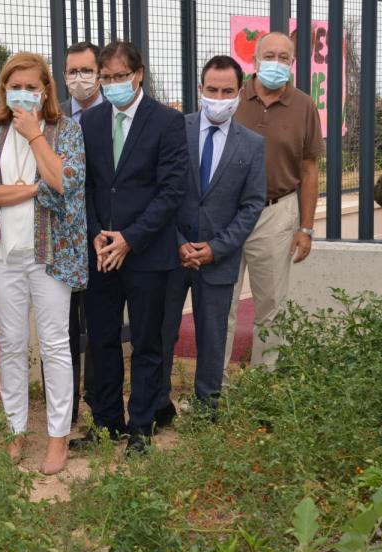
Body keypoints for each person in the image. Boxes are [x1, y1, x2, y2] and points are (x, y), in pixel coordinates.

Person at [0, 51, 87, 474]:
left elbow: (65, 183)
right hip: (5, 255)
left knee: (55, 345)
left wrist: (36, 136)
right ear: (3, 90)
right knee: (12, 345)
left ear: (45, 91)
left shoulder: (64, 131)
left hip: (50, 255)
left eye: (31, 87)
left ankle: (58, 438)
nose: (22, 93)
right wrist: (34, 188)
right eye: (15, 86)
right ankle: (14, 430)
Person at [73, 41, 188, 456]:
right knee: (101, 341)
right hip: (102, 253)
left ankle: (141, 426)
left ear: (138, 74)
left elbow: (171, 190)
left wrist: (130, 238)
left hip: (148, 254)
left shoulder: (166, 122)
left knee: (147, 342)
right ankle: (106, 423)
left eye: (121, 76)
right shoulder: (91, 121)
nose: (113, 84)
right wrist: (96, 233)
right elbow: (84, 187)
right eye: (106, 78)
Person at [161, 55, 266, 415]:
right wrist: (177, 242)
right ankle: (159, 405)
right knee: (161, 332)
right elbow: (161, 191)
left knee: (213, 336)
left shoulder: (252, 144)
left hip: (218, 258)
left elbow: (252, 206)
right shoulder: (176, 129)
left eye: (227, 91)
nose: (219, 98)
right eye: (212, 90)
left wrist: (216, 248)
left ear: (240, 93)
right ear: (200, 89)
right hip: (171, 254)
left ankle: (207, 408)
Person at [225, 31, 323, 370]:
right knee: (222, 303)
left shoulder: (304, 106)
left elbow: (310, 169)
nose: (276, 63)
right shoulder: (232, 99)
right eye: (269, 56)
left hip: (276, 212)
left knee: (270, 305)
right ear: (253, 61)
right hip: (227, 215)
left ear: (293, 63)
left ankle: (263, 385)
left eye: (284, 57)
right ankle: (213, 387)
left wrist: (306, 228)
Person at [58, 41, 103, 425]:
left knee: (102, 326)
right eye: (72, 72)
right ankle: (65, 409)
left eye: (86, 71)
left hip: (103, 238)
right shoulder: (55, 120)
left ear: (100, 73)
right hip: (62, 243)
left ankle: (99, 402)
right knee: (63, 329)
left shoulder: (116, 116)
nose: (79, 79)